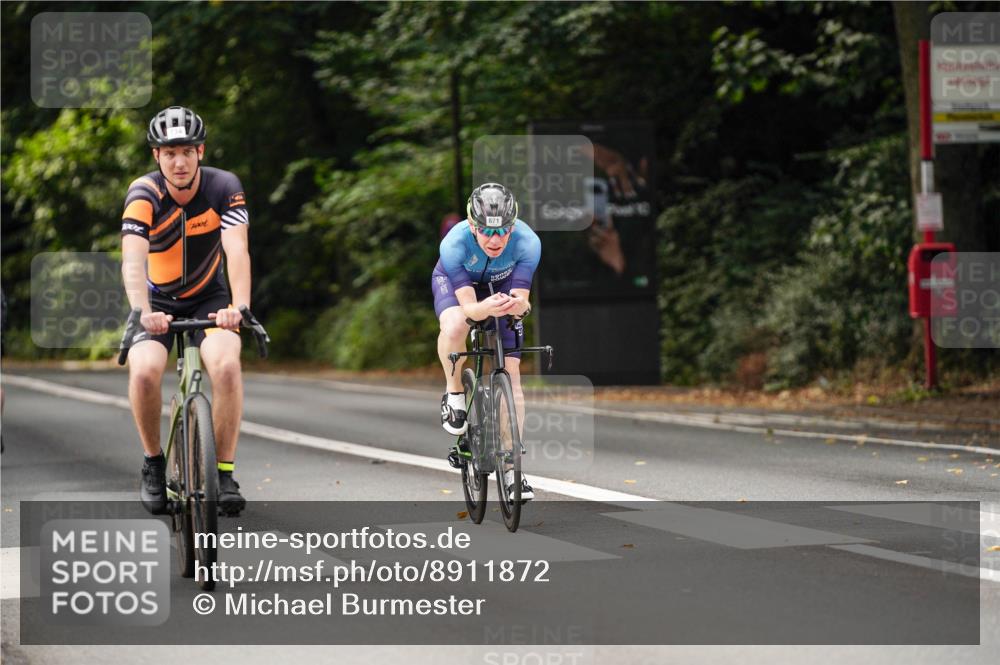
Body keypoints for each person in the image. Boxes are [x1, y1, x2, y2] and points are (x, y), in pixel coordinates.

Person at [120, 106, 252, 516]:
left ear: (201, 152)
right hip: (155, 303)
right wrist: (142, 311)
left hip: (209, 298)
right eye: (169, 152)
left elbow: (237, 251)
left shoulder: (223, 186)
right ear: (156, 157)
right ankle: (153, 464)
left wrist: (239, 306)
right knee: (144, 371)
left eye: (187, 152)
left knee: (227, 366)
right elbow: (132, 262)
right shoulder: (143, 193)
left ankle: (224, 472)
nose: (179, 162)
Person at [432, 183, 540, 501]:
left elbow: (523, 300)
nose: (495, 240)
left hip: (501, 289)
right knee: (454, 324)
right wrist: (485, 308)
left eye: (503, 231)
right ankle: (454, 394)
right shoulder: (454, 244)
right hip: (457, 288)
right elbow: (469, 308)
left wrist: (518, 306)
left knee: (513, 376)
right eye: (486, 231)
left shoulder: (528, 243)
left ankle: (511, 468)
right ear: (471, 225)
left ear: (513, 226)